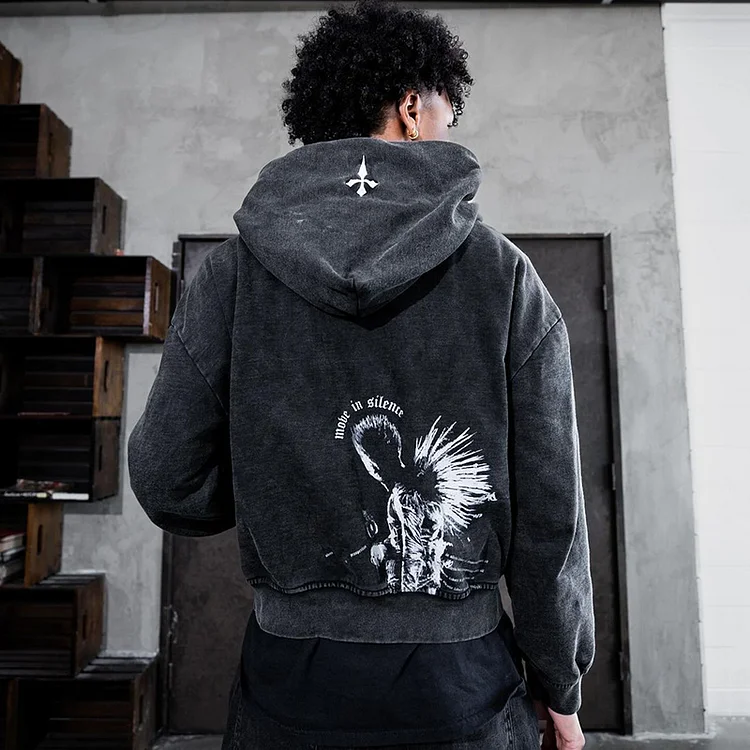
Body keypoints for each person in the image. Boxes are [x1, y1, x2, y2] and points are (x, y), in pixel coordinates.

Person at [127, 1, 596, 748]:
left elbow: (165, 477)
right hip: (457, 685)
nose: (447, 127)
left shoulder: (233, 275)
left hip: (290, 682)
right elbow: (549, 517)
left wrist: (275, 493)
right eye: (446, 110)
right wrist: (558, 682)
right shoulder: (504, 278)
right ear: (411, 108)